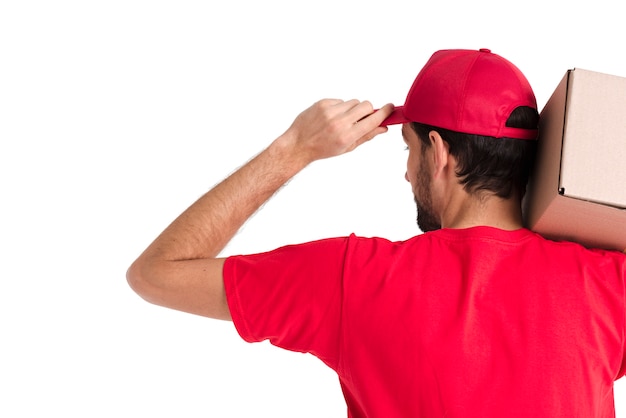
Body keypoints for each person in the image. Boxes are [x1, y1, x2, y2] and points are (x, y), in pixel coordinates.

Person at [127, 48, 626, 417]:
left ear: (440, 153)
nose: (407, 174)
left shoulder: (353, 277)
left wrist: (294, 149)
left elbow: (156, 274)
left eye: (407, 151)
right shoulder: (608, 284)